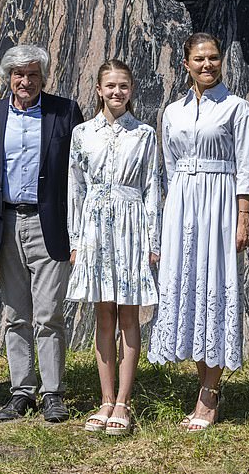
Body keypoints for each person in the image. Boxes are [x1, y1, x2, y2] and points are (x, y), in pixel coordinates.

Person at [148, 32, 249, 431]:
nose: (207, 65)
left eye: (213, 58)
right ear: (186, 64)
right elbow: (168, 167)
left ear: (221, 61)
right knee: (189, 291)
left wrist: (243, 217)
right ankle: (203, 384)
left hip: (220, 205)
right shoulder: (172, 111)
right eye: (199, 59)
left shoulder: (237, 108)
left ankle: (209, 395)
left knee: (214, 286)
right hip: (181, 205)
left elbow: (247, 170)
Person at [0, 44, 83, 423]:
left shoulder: (65, 111)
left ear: (44, 77)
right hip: (4, 223)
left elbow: (79, 170)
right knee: (14, 314)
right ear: (8, 78)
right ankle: (21, 391)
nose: (25, 81)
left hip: (49, 224)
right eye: (18, 75)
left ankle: (53, 393)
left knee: (49, 314)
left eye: (33, 75)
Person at [67, 60, 161, 435]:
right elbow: (74, 189)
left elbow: (153, 187)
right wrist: (75, 241)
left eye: (123, 86)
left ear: (131, 90)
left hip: (131, 225)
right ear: (98, 89)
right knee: (102, 315)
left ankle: (124, 402)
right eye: (110, 86)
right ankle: (104, 400)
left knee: (128, 316)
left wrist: (152, 241)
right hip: (93, 227)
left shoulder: (144, 134)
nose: (117, 92)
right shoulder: (82, 133)